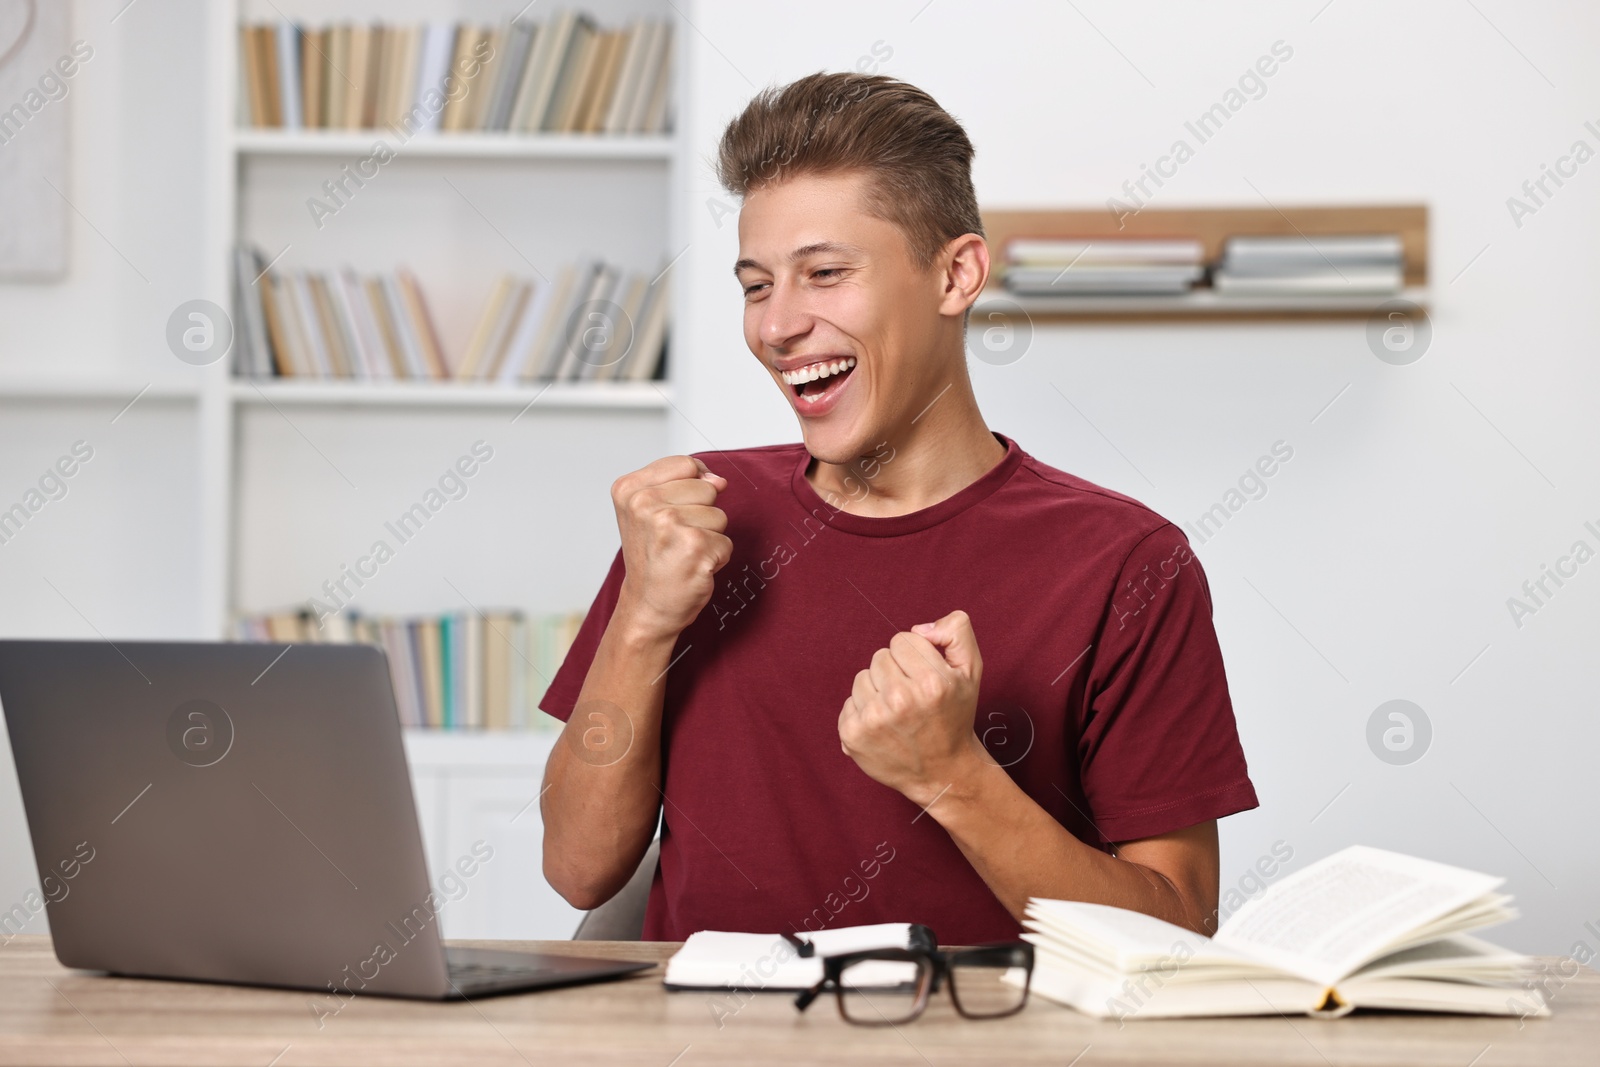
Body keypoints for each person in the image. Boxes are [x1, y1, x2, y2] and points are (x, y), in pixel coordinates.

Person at [539, 72, 1257, 944]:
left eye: (826, 274)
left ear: (956, 275)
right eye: (757, 285)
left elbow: (1178, 932)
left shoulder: (1127, 562)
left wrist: (955, 774)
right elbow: (578, 868)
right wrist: (643, 622)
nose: (776, 326)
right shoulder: (691, 521)